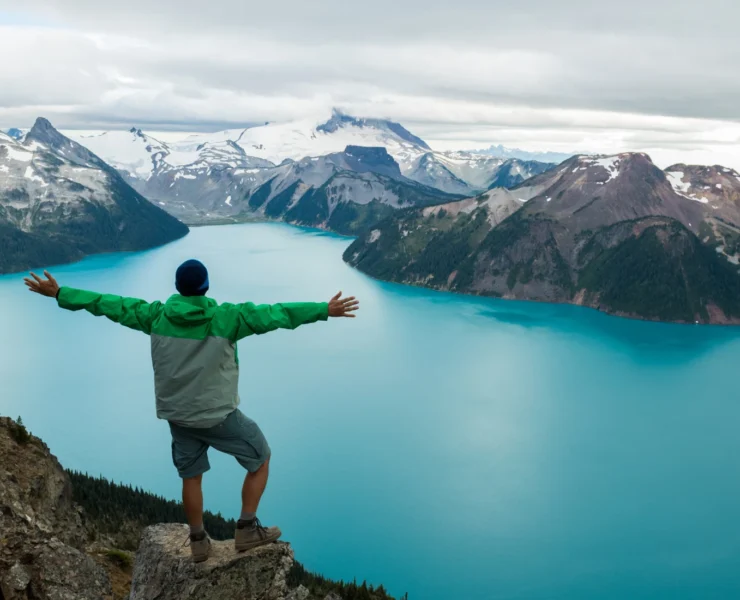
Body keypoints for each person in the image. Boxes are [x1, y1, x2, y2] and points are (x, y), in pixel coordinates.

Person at [23, 260, 359, 562]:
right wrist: (323, 309)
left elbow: (107, 304)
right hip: (219, 416)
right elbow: (277, 313)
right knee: (261, 458)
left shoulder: (154, 315)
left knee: (191, 475)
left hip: (178, 417)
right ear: (206, 287)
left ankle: (198, 540)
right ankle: (246, 528)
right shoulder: (228, 317)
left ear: (178, 288)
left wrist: (60, 293)